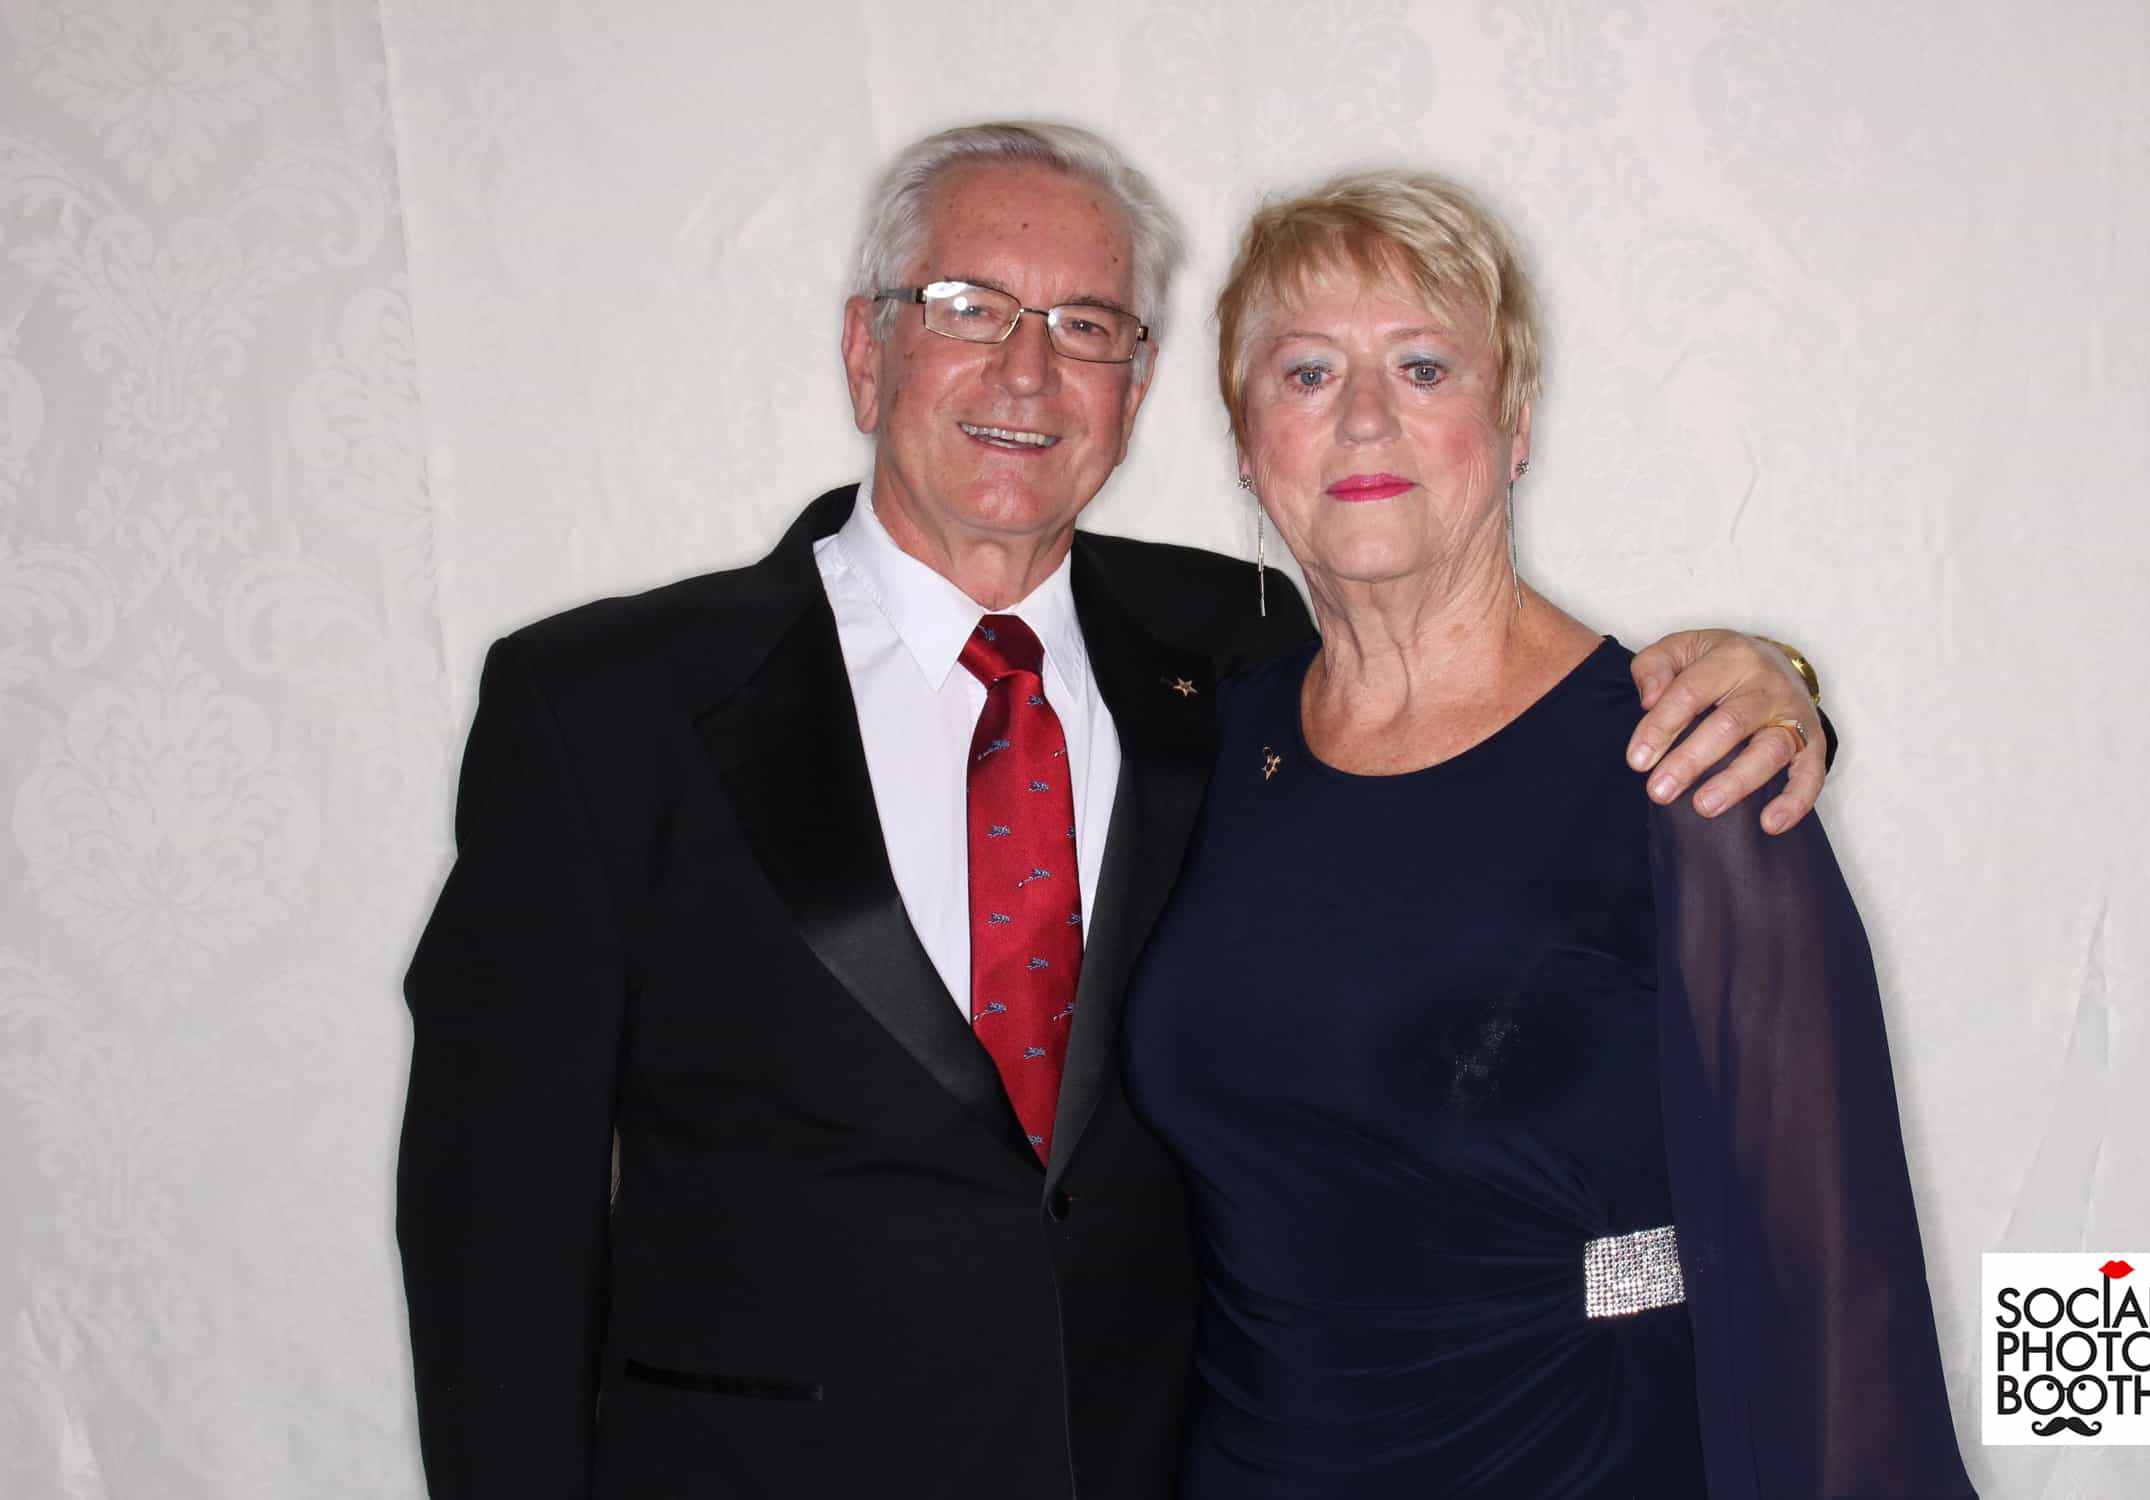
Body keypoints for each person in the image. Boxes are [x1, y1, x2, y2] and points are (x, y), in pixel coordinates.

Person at [396, 124, 1833, 1500]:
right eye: (969, 308)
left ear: (1136, 392)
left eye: (1086, 326)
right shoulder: (604, 710)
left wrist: (1774, 684)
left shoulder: (1244, 660)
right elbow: (493, 1228)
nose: (1028, 372)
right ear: (865, 351)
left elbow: (1476, 730)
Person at [1120, 170, 1973, 1497]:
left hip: (1578, 1459)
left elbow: (1833, 1281)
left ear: (1513, 424)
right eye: (1305, 372)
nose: (1361, 416)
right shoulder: (1205, 740)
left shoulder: (1683, 757)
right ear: (1244, 439)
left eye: (1422, 367)